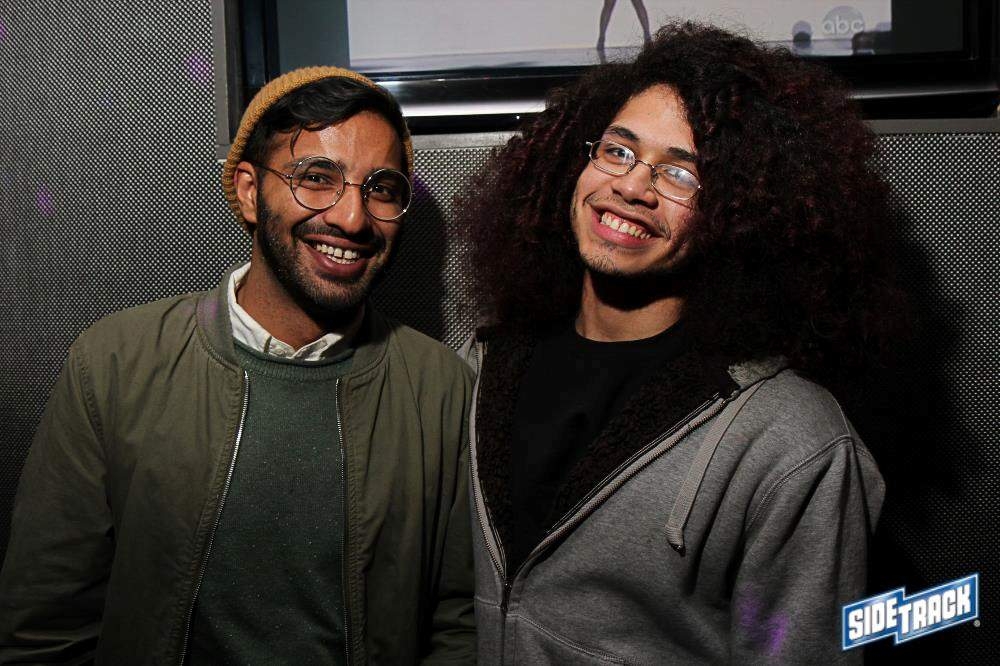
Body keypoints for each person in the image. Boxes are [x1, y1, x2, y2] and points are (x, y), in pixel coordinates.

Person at [0, 66, 475, 664]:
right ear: (249, 191)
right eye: (316, 178)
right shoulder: (115, 364)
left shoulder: (441, 389)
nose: (352, 218)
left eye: (380, 189)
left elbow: (460, 622)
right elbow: (45, 625)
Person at [460, 22, 896, 663]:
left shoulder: (793, 442)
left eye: (680, 175)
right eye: (617, 151)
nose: (632, 187)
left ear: (740, 213)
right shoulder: (484, 366)